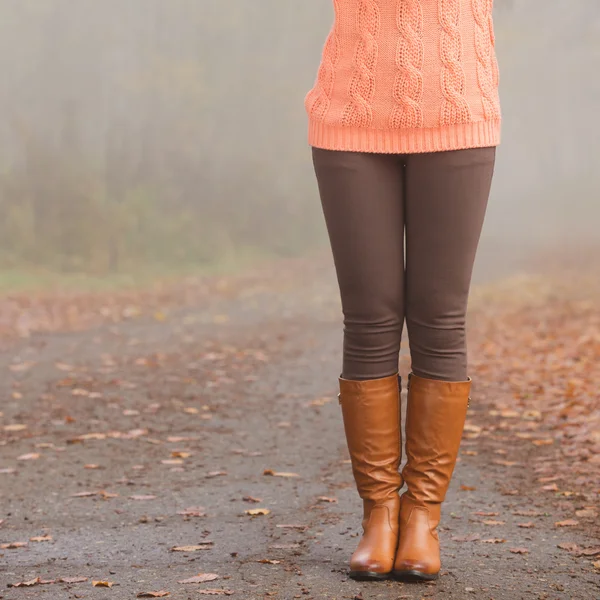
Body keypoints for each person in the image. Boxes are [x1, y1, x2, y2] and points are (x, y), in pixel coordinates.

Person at [305, 0, 501, 582]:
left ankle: (422, 519)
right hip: (349, 112)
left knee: (440, 318)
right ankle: (379, 516)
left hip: (459, 106)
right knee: (369, 317)